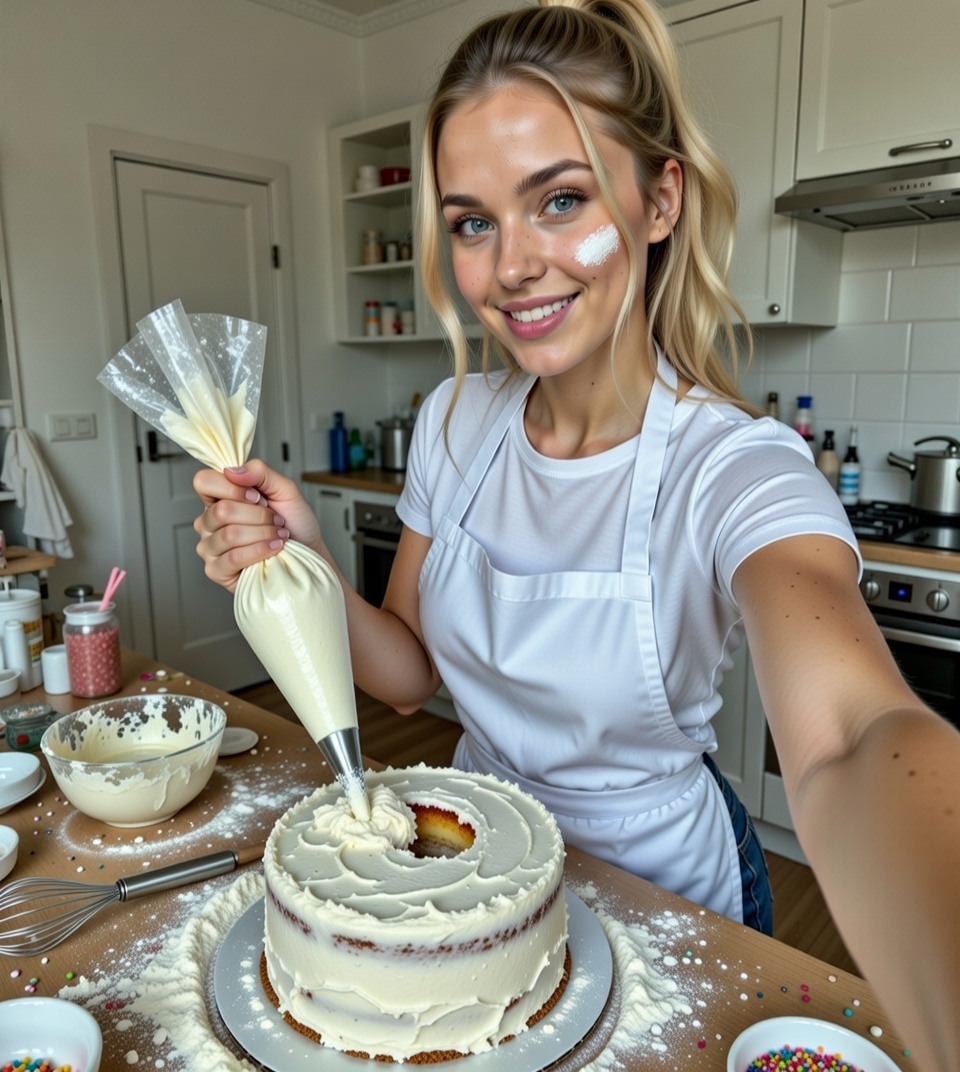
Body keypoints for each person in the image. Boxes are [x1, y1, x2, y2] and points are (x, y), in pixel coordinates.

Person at [193, 2, 960, 1066]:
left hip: (657, 891)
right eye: (471, 221)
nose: (510, 265)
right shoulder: (457, 424)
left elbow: (846, 737)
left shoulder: (734, 465)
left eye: (558, 199)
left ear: (659, 200)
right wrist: (307, 563)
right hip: (466, 869)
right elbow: (410, 676)